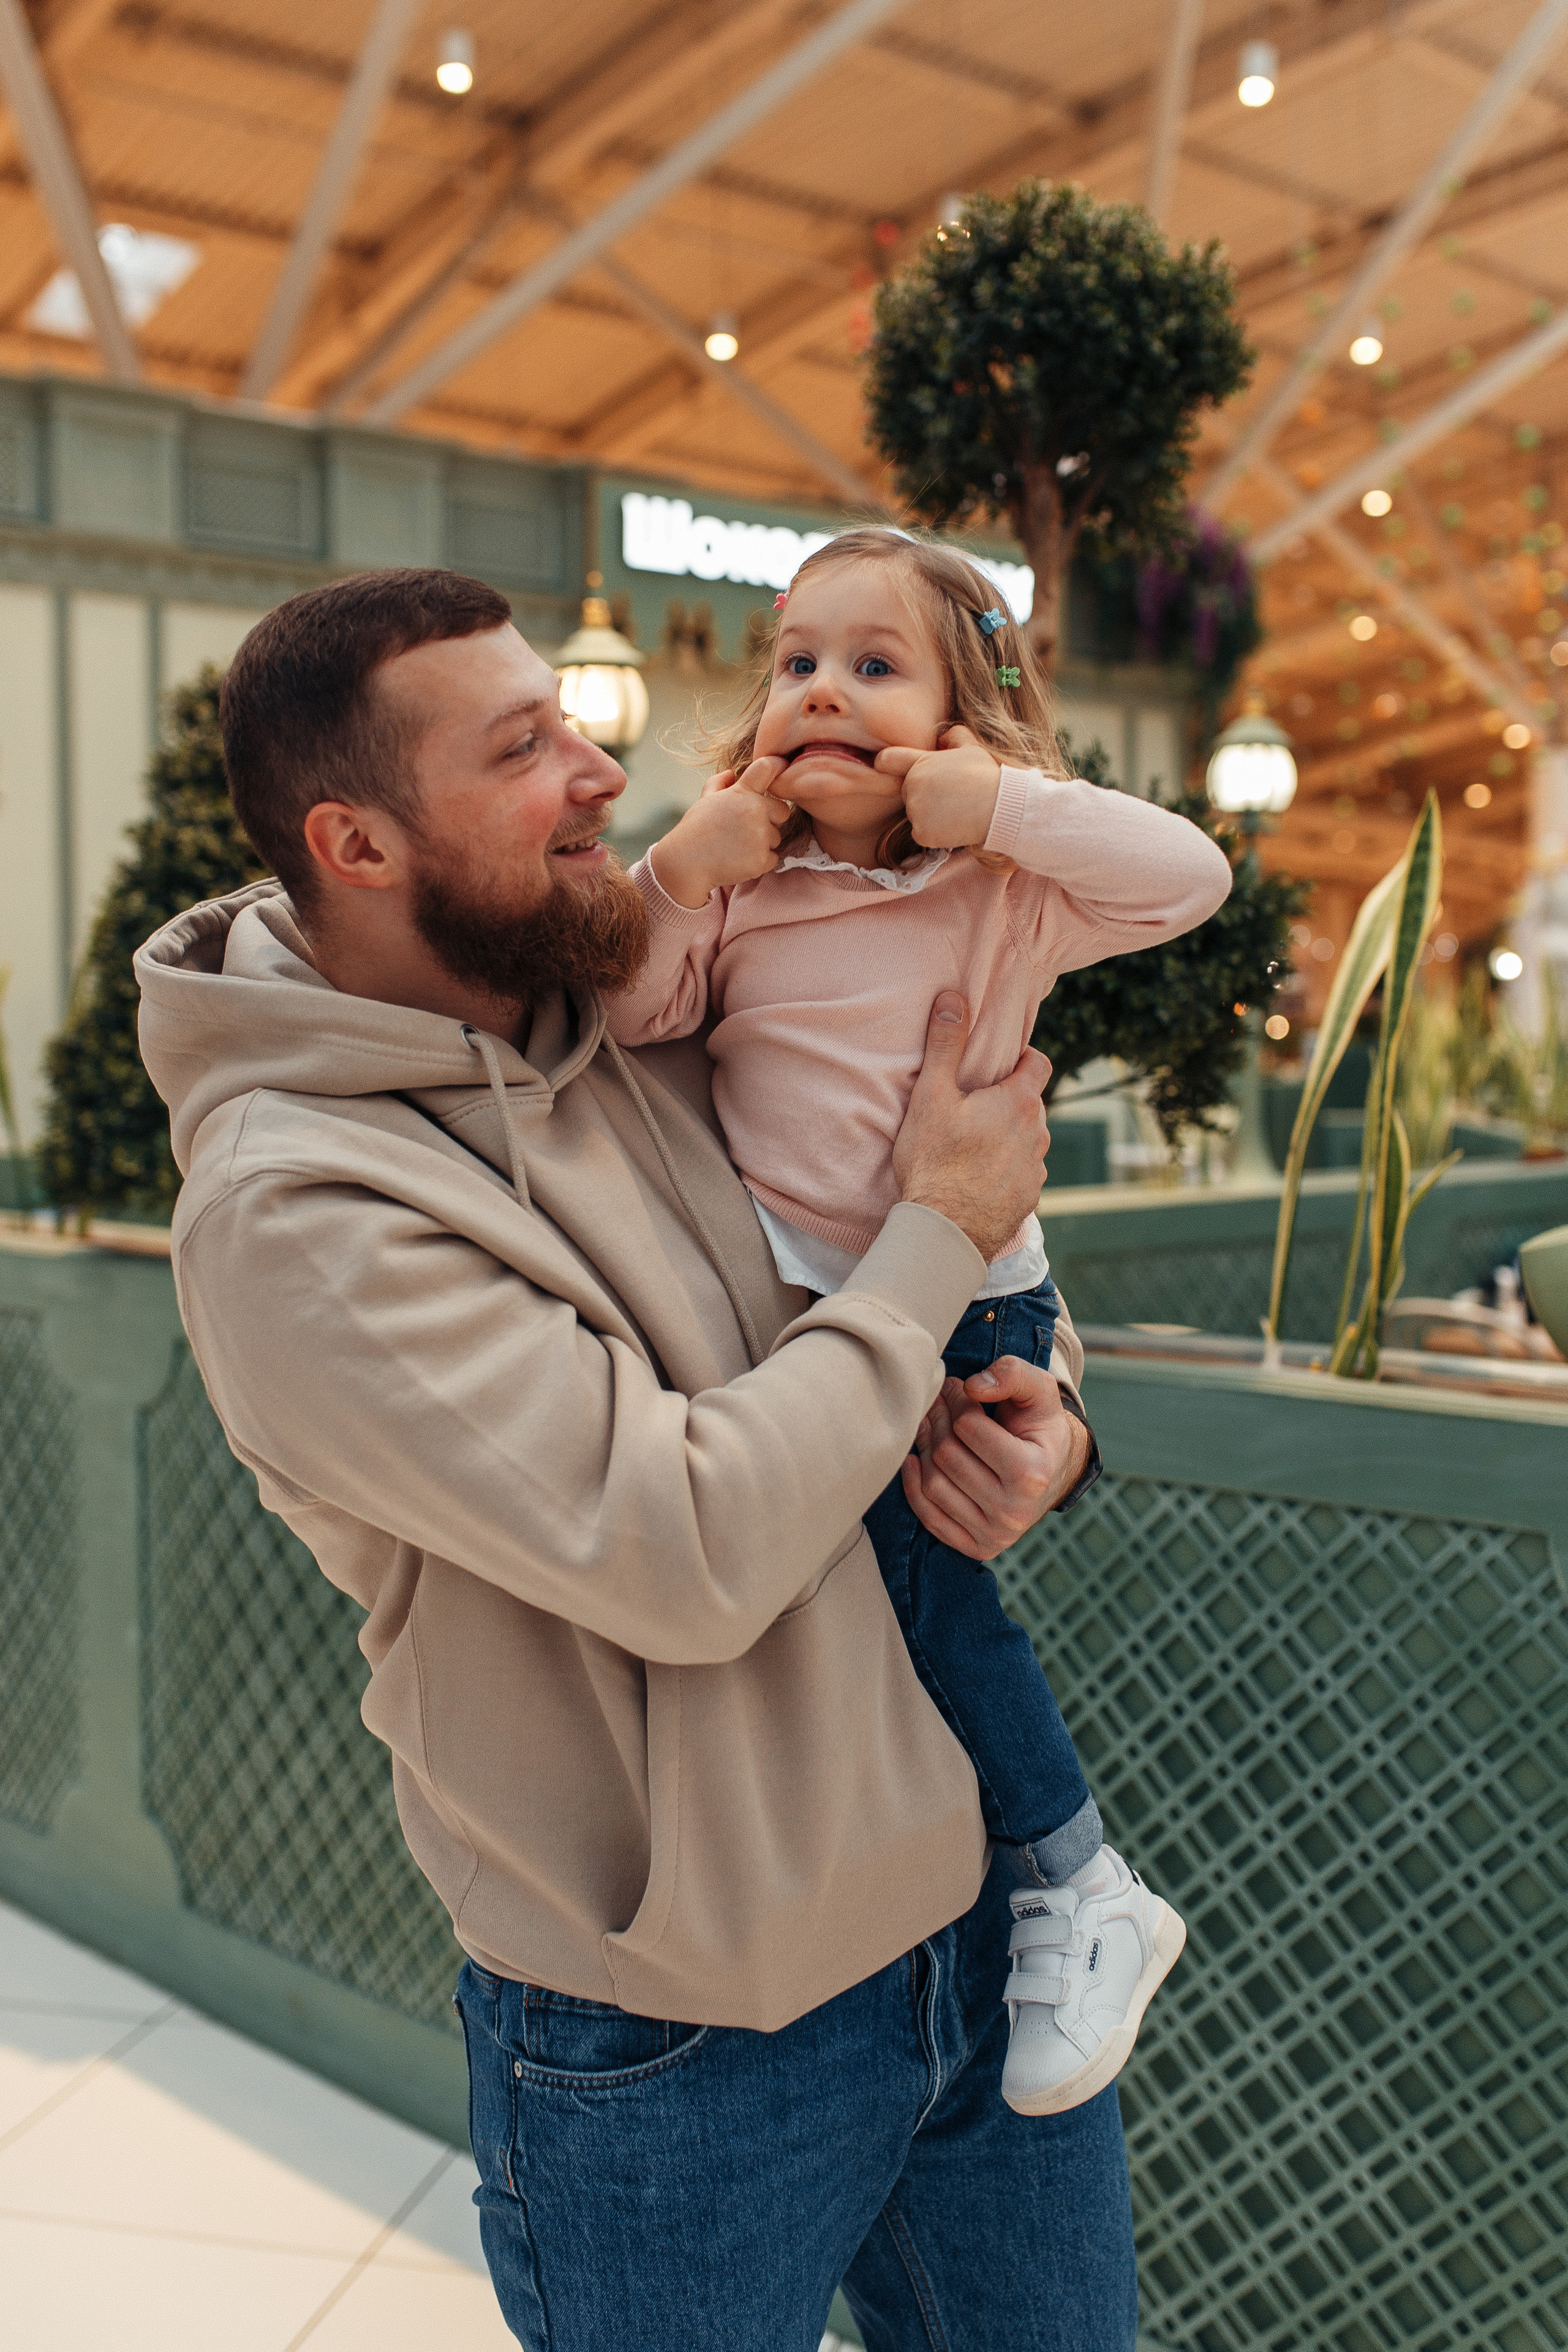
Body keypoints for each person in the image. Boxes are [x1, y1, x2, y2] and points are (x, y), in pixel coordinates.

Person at [135, 567, 1131, 2352]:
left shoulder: (616, 1002)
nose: (604, 775)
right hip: (684, 2042)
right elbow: (684, 1539)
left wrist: (1046, 1408)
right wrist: (935, 1235)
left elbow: (886, 1225)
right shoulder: (297, 1215)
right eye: (527, 745)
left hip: (965, 1928)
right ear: (360, 845)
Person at [605, 529, 1232, 2115]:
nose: (824, 692)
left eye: (877, 667)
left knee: (939, 1613)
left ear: (965, 716)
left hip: (964, 1298)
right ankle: (1009, 1884)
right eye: (799, 661)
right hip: (810, 1316)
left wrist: (1003, 807)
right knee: (864, 1614)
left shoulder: (1003, 890)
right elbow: (622, 1008)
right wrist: (688, 863)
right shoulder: (748, 894)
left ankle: (1078, 1885)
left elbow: (1192, 881)